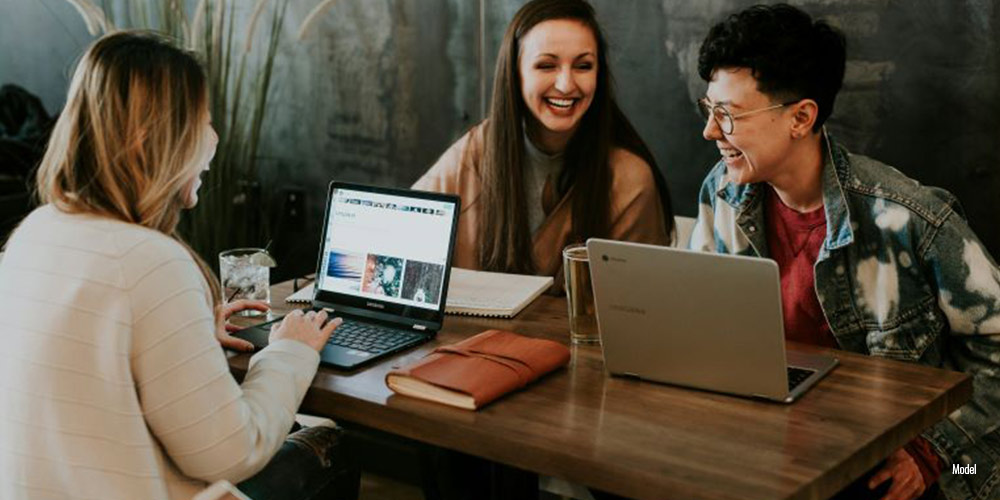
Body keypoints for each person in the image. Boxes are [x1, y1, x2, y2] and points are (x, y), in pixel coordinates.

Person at [0, 31, 357, 500]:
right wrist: (289, 351)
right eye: (203, 122)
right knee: (331, 446)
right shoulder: (150, 261)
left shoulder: (33, 233)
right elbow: (232, 453)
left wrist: (188, 333)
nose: (214, 138)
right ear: (152, 139)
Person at [690, 4, 1000, 500]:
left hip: (917, 465)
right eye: (708, 109)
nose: (710, 131)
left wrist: (931, 454)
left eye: (728, 114)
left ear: (801, 117)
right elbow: (702, 325)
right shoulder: (723, 192)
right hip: (778, 449)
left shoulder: (908, 218)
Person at [413, 0, 674, 281]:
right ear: (515, 73)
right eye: (546, 65)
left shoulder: (629, 179)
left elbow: (638, 298)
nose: (566, 84)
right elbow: (403, 236)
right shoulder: (474, 152)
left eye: (583, 66)